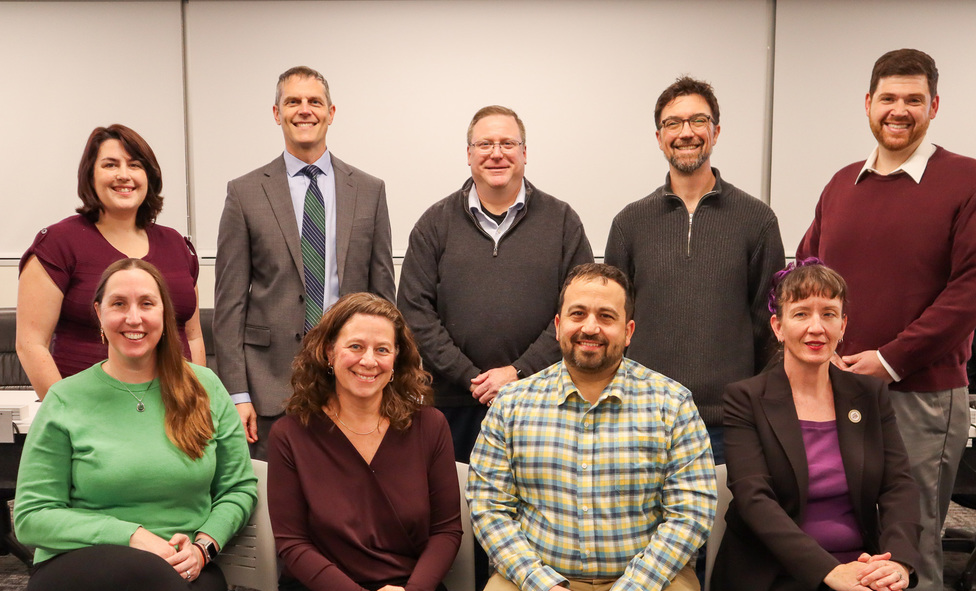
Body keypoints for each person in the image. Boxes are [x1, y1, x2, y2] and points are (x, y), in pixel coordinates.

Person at [797, 48, 976, 591]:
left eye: (914, 100)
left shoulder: (969, 182)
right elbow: (807, 271)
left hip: (919, 398)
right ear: (868, 105)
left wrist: (887, 360)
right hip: (836, 394)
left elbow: (971, 292)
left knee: (909, 547)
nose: (900, 110)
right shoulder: (840, 184)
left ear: (934, 107)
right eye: (888, 98)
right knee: (846, 537)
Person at [467, 263, 716, 591]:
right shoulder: (512, 405)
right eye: (578, 314)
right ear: (558, 324)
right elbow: (488, 509)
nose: (590, 328)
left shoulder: (672, 404)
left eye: (607, 317)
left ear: (629, 331)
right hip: (533, 584)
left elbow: (690, 515)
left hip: (651, 588)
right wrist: (545, 590)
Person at [14, 258, 258, 591]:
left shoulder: (205, 386)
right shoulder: (65, 398)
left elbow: (238, 488)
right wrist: (133, 536)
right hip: (77, 582)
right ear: (99, 313)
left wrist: (203, 546)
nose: (133, 318)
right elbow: (31, 517)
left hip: (188, 571)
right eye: (119, 304)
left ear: (165, 312)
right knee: (146, 574)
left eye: (147, 303)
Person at [712, 259, 921, 591]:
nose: (816, 327)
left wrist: (896, 560)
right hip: (772, 577)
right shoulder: (746, 398)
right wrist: (829, 571)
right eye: (801, 313)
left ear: (843, 325)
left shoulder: (869, 395)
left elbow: (899, 485)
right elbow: (755, 501)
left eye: (829, 314)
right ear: (778, 327)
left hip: (864, 565)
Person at [268, 292, 462, 591]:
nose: (369, 361)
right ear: (328, 352)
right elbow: (293, 544)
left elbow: (447, 531)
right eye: (355, 346)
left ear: (397, 359)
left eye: (383, 350)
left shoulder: (430, 426)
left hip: (412, 587)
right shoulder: (291, 435)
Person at [215, 65, 396, 458]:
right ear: (277, 113)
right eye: (293, 101)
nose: (304, 109)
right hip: (268, 387)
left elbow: (384, 300)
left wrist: (389, 381)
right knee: (277, 507)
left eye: (314, 101)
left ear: (331, 113)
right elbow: (229, 304)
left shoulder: (368, 190)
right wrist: (237, 393)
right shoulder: (245, 193)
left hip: (353, 381)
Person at [398, 104, 593, 464]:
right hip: (452, 405)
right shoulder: (434, 223)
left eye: (508, 143)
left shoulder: (562, 221)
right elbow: (414, 313)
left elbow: (580, 311)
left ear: (524, 153)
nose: (497, 154)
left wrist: (519, 372)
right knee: (453, 509)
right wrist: (472, 378)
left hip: (544, 400)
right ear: (469, 154)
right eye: (485, 144)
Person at [605, 76, 785, 463]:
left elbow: (771, 326)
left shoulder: (757, 220)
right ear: (659, 137)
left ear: (715, 132)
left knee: (725, 525)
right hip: (643, 420)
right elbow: (613, 324)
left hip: (729, 425)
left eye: (697, 121)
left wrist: (753, 406)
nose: (686, 133)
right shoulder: (629, 224)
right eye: (673, 123)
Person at [17, 124, 203, 400]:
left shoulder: (176, 244)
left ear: (149, 177)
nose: (123, 175)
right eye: (110, 165)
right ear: (90, 175)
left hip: (174, 412)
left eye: (135, 165)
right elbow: (31, 344)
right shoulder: (58, 243)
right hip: (89, 414)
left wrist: (198, 403)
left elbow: (193, 336)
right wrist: (68, 415)